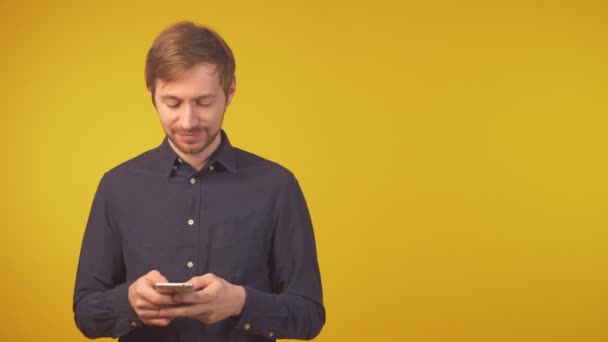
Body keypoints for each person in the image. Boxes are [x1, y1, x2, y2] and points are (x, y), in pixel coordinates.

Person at [73, 21, 325, 342]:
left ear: (230, 91)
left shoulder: (278, 185)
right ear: (152, 94)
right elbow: (86, 313)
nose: (188, 121)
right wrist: (127, 302)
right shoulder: (116, 186)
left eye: (203, 102)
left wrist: (241, 303)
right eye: (173, 103)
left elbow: (309, 316)